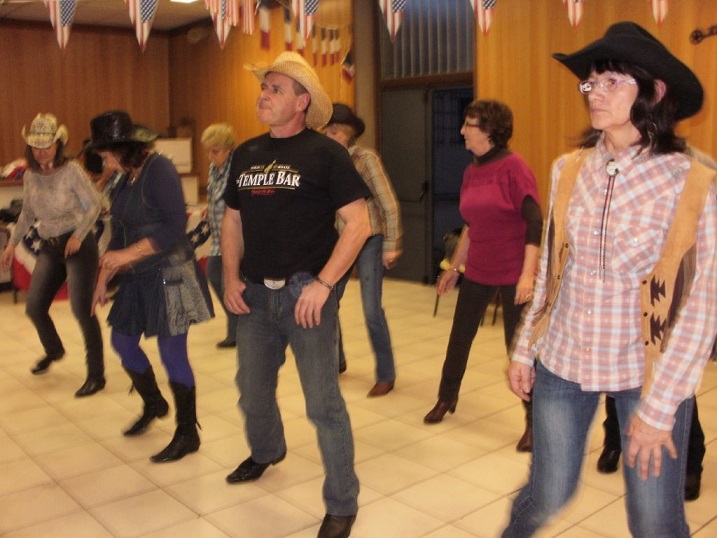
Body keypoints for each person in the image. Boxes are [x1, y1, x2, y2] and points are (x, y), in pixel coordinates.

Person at [503, 22, 717, 537]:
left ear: (654, 92)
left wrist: (660, 409)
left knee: (655, 519)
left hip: (647, 372)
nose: (593, 93)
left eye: (611, 82)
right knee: (548, 493)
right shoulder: (568, 169)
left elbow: (703, 305)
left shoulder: (694, 182)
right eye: (591, 83)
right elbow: (554, 269)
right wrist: (525, 347)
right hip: (563, 359)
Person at [221, 52, 371, 538]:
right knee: (251, 390)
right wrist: (230, 278)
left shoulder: (326, 154)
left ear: (302, 102)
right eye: (264, 87)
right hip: (255, 296)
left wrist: (324, 286)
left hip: (307, 295)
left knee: (323, 403)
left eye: (276, 89)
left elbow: (359, 224)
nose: (264, 95)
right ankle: (267, 450)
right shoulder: (245, 153)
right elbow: (232, 220)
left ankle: (343, 502)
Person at [90, 110, 214, 463]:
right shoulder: (124, 178)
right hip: (138, 272)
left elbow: (175, 227)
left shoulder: (159, 169)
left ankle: (187, 433)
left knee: (171, 352)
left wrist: (128, 255)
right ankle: (155, 403)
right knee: (122, 341)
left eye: (106, 154)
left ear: (124, 148)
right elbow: (121, 231)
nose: (103, 161)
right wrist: (103, 277)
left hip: (171, 271)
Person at [596, 144, 717, 502]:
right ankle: (614, 439)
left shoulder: (696, 165)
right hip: (623, 294)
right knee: (616, 374)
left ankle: (691, 461)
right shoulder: (614, 161)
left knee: (674, 380)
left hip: (673, 295)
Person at [423, 100, 543, 454]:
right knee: (459, 337)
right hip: (478, 268)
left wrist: (528, 275)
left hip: (514, 271)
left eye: (469, 125)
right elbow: (471, 225)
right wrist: (453, 268)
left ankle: (534, 421)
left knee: (518, 348)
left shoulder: (514, 167)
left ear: (489, 131)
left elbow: (535, 221)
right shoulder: (472, 171)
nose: (462, 130)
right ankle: (447, 397)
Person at [0, 113, 105, 398]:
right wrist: (11, 244)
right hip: (50, 245)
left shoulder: (71, 171)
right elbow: (27, 213)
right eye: (36, 146)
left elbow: (94, 206)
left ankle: (96, 375)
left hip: (78, 244)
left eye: (46, 145)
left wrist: (78, 235)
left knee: (82, 310)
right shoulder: (31, 175)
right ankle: (54, 350)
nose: (41, 151)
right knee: (34, 306)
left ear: (58, 144)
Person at [324, 103, 403, 397]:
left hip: (370, 239)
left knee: (371, 309)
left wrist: (391, 245)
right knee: (327, 300)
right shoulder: (326, 161)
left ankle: (386, 374)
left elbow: (388, 203)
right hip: (341, 240)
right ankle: (336, 360)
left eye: (335, 132)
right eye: (326, 132)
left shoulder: (365, 159)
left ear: (348, 134)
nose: (329, 137)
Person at [200, 123, 239, 349]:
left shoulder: (237, 169)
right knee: (214, 275)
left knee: (227, 281)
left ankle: (238, 330)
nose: (210, 156)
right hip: (217, 237)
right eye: (208, 151)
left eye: (215, 151)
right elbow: (214, 194)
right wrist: (209, 207)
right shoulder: (214, 169)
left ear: (227, 149)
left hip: (235, 237)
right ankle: (237, 326)